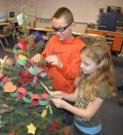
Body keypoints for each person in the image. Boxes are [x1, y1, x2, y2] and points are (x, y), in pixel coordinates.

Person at [31, 7, 85, 135]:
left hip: (66, 96)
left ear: (73, 26)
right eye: (55, 29)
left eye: (61, 29)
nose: (58, 33)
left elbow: (76, 75)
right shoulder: (53, 40)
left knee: (65, 124)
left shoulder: (80, 47)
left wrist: (61, 64)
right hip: (48, 89)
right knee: (49, 121)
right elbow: (45, 58)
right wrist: (40, 57)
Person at [51, 36, 116, 135]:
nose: (81, 66)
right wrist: (62, 95)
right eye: (81, 61)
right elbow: (74, 97)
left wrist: (65, 105)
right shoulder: (85, 75)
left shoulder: (101, 86)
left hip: (90, 130)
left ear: (100, 64)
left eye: (86, 64)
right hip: (77, 123)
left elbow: (88, 114)